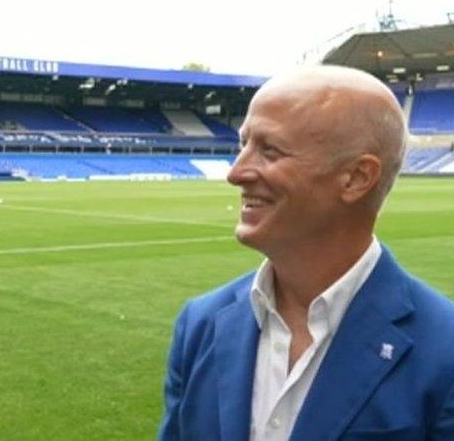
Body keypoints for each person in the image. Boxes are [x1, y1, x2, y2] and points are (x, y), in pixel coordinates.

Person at [159, 65, 454, 440]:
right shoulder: (200, 324)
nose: (236, 172)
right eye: (243, 144)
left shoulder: (443, 350)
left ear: (357, 177)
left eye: (269, 150)